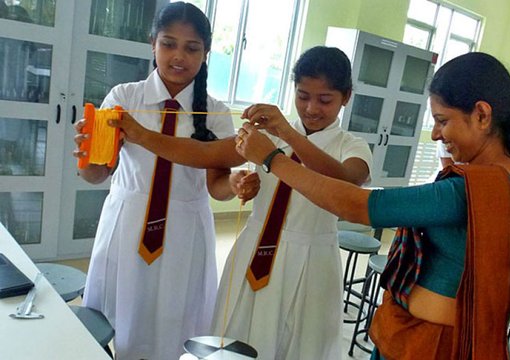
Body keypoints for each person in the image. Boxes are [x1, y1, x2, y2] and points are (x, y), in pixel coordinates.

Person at [234, 52, 510, 359]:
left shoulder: (474, 188)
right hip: (427, 335)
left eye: (442, 120)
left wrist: (271, 158)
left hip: (433, 343)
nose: (437, 134)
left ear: (482, 115)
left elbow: (360, 205)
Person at [110, 46, 372, 359]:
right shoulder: (267, 135)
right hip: (253, 251)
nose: (311, 108)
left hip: (311, 260)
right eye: (302, 96)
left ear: (346, 97)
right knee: (237, 337)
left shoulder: (351, 145)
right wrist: (141, 135)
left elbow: (346, 181)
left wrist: (286, 133)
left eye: (325, 99)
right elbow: (204, 154)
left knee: (301, 344)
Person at [73, 3, 258, 359]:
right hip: (127, 226)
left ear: (205, 54)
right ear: (152, 43)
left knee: (176, 319)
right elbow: (96, 175)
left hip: (184, 233)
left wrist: (233, 184)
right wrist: (85, 154)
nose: (178, 56)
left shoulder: (215, 113)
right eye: (168, 44)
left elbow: (216, 187)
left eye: (192, 48)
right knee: (119, 315)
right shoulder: (124, 98)